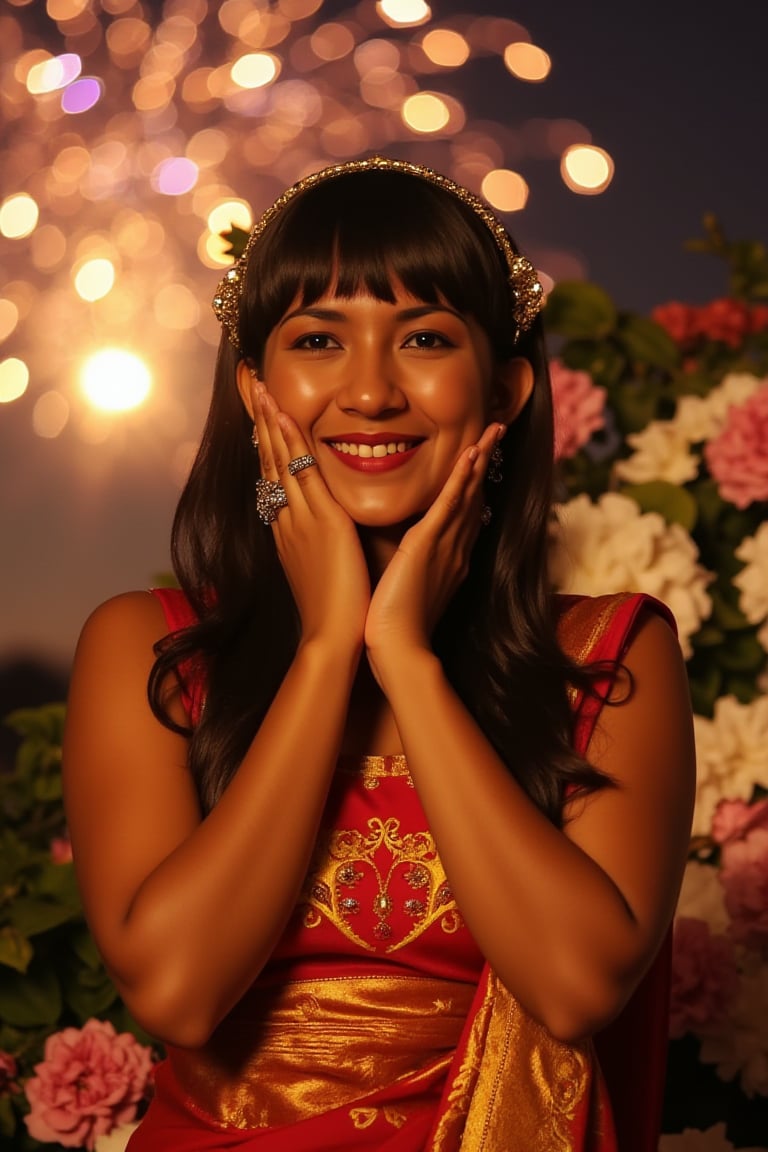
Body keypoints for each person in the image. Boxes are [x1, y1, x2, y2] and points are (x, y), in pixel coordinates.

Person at [62, 156, 696, 1152]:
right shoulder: (148, 647)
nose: (369, 391)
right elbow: (178, 993)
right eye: (318, 341)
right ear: (254, 388)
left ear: (507, 388)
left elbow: (577, 989)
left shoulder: (612, 656)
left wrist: (404, 656)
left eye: (426, 340)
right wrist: (325, 650)